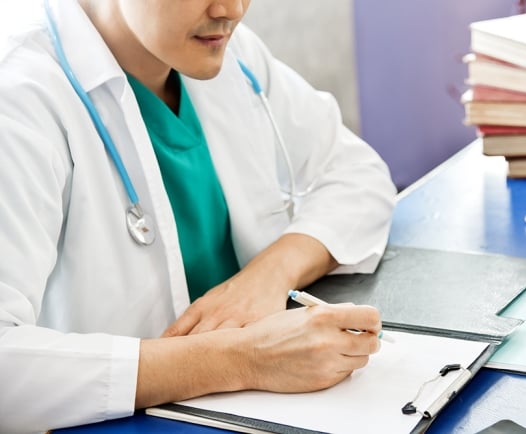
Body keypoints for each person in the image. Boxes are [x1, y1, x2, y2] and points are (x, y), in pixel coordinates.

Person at [0, 0, 396, 432]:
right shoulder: (20, 94)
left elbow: (358, 173)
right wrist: (241, 359)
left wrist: (268, 275)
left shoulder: (227, 51)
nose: (232, 9)